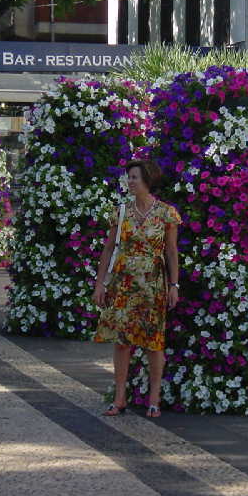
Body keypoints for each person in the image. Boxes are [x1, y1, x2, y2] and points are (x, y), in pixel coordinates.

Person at [93, 159, 181, 418]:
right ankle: (120, 396)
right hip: (123, 284)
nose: (130, 182)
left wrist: (174, 284)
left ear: (147, 181)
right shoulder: (121, 212)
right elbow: (108, 249)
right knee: (121, 341)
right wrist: (100, 284)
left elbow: (171, 251)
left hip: (153, 285)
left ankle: (154, 396)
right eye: (128, 177)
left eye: (134, 177)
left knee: (154, 342)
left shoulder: (166, 213)